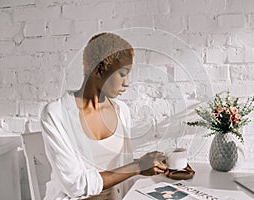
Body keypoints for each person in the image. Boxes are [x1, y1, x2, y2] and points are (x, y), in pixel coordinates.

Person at [40, 32, 167, 200]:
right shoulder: (56, 114)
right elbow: (75, 186)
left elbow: (118, 166)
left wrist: (153, 164)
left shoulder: (121, 111)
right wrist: (137, 166)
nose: (127, 83)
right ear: (99, 70)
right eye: (122, 74)